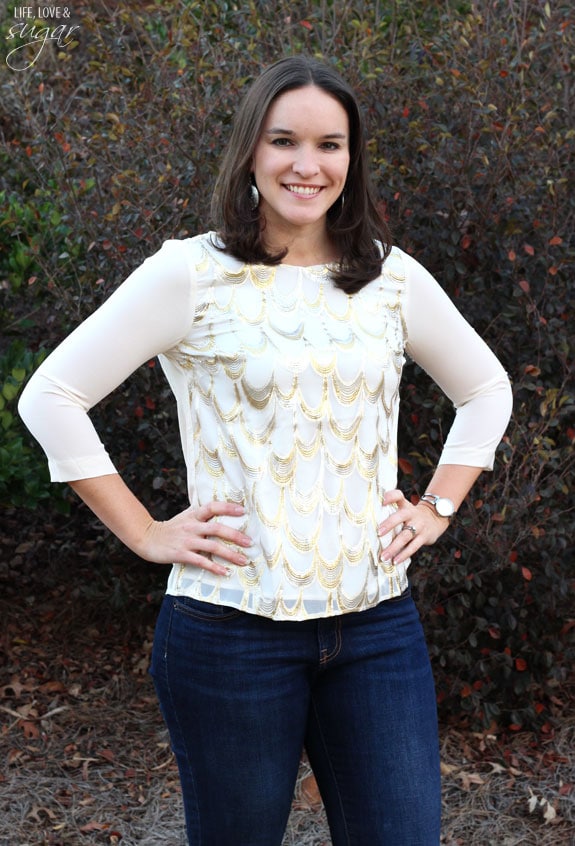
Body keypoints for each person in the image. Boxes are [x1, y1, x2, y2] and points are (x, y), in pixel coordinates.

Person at [19, 55, 512, 845]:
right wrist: (145, 532)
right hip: (228, 633)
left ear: (352, 161)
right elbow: (51, 396)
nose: (306, 165)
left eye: (330, 144)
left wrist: (437, 508)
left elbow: (485, 389)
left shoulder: (389, 279)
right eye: (284, 140)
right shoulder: (189, 273)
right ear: (251, 149)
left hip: (376, 626)